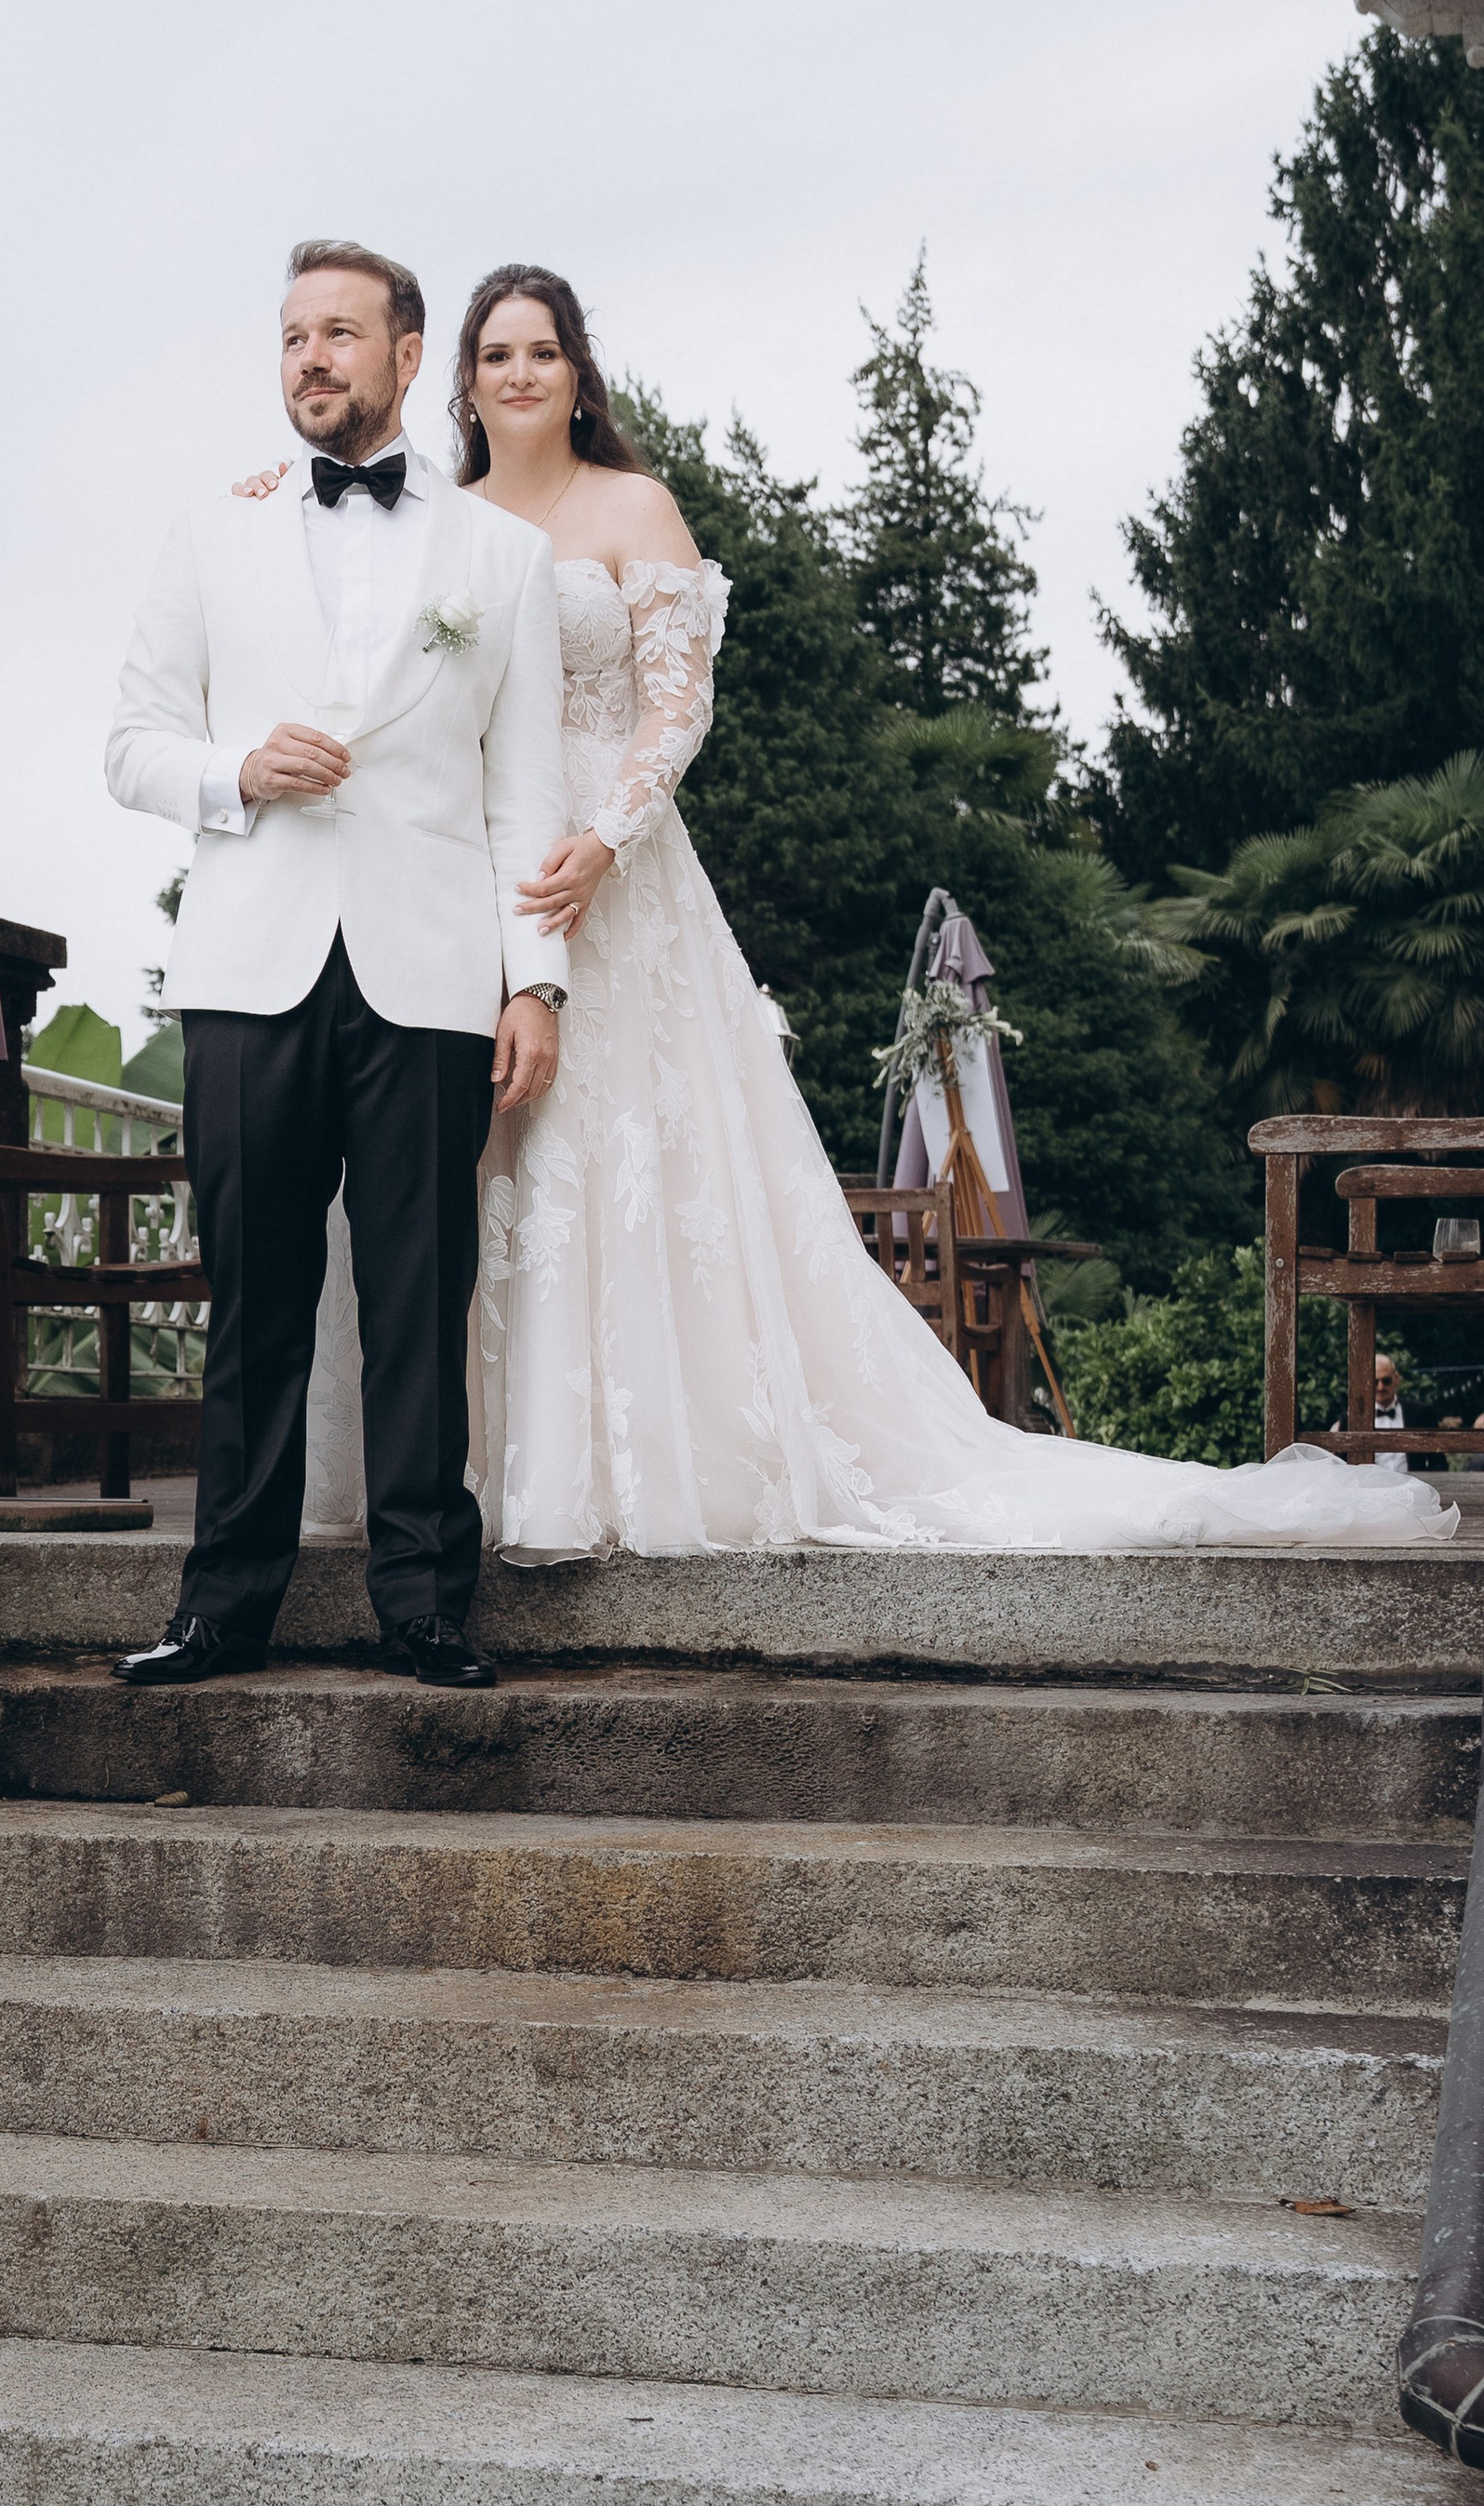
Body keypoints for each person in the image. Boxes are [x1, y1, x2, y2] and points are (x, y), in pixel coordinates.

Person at [247, 265, 1457, 1555]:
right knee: (480, 1162)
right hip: (476, 869)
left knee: (619, 1150)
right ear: (461, 378)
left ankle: (630, 1464)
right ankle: (477, 1461)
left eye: (543, 351)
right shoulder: (446, 516)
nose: (521, 374)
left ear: (578, 373)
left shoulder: (632, 504)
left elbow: (681, 705)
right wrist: (267, 500)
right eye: (496, 355)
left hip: (616, 863)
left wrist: (601, 841)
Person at [101, 244, 573, 1685]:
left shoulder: (505, 559)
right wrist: (236, 769)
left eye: (340, 334)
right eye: (294, 336)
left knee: (422, 1298)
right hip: (250, 971)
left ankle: (427, 1601)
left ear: (408, 352)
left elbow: (528, 793)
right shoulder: (210, 529)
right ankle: (220, 1603)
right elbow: (129, 746)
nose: (311, 358)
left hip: (432, 974)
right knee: (251, 1295)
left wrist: (535, 980)